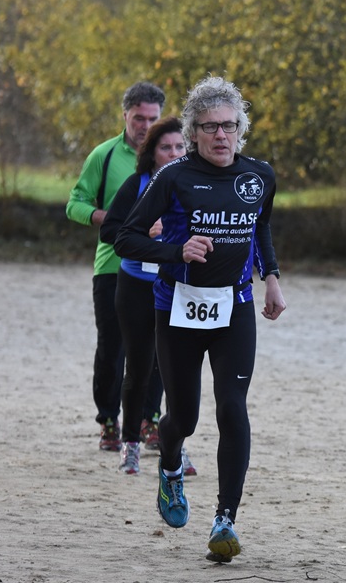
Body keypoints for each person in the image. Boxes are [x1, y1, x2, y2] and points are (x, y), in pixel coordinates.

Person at [114, 75, 286, 563]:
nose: (220, 136)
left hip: (235, 308)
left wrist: (270, 275)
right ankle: (169, 467)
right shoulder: (173, 177)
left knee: (233, 407)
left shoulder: (260, 176)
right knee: (183, 415)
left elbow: (261, 225)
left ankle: (225, 519)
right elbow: (124, 238)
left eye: (229, 126)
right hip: (178, 309)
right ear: (193, 133)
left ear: (240, 129)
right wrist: (176, 251)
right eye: (209, 127)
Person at [66, 81, 167, 452]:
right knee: (113, 348)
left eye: (152, 118)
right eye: (138, 117)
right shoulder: (104, 156)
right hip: (113, 265)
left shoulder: (171, 158)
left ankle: (149, 420)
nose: (144, 125)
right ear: (125, 115)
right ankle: (109, 420)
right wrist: (109, 217)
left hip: (160, 269)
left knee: (159, 350)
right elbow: (73, 203)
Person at [100, 116, 197, 477]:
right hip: (136, 286)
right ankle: (130, 446)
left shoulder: (195, 186)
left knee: (173, 370)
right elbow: (112, 231)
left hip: (177, 286)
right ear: (152, 153)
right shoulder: (137, 184)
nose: (173, 153)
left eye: (178, 147)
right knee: (138, 367)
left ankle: (176, 447)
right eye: (165, 147)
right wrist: (146, 232)